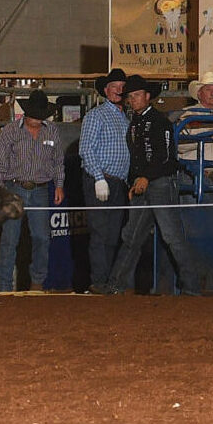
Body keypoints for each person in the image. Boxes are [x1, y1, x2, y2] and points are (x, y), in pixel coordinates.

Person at [103, 76, 209, 295]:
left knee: (170, 237)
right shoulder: (136, 123)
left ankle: (192, 287)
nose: (133, 100)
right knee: (133, 236)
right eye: (130, 97)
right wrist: (136, 180)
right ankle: (116, 284)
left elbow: (167, 157)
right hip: (145, 184)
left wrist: (144, 178)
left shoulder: (160, 122)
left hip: (160, 183)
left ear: (147, 96)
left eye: (136, 95)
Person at [0, 91, 65, 295]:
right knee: (10, 238)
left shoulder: (52, 132)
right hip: (14, 188)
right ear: (26, 114)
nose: (36, 120)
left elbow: (58, 161)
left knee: (41, 237)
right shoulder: (11, 130)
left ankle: (37, 282)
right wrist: (0, 189)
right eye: (34, 115)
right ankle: (4, 285)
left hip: (40, 189)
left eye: (40, 116)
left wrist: (59, 185)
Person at [78, 68, 131, 291]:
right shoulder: (96, 115)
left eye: (122, 87)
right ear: (106, 91)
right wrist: (98, 178)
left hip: (118, 182)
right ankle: (99, 281)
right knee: (101, 233)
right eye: (114, 87)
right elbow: (86, 149)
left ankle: (109, 281)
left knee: (113, 234)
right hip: (100, 180)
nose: (119, 90)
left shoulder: (126, 118)